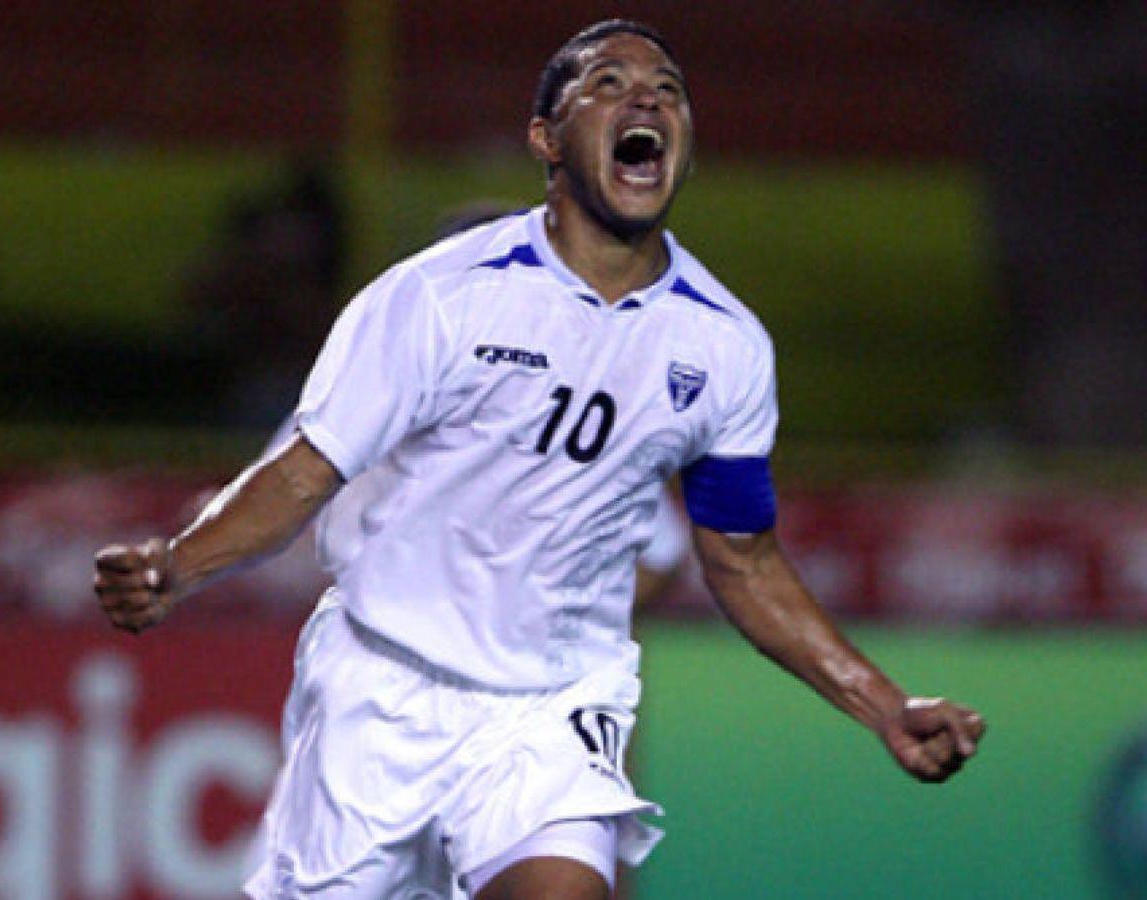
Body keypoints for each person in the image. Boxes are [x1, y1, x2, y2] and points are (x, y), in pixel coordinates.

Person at [94, 20, 985, 900]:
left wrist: (885, 704)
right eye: (608, 85)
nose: (646, 99)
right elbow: (300, 474)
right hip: (384, 690)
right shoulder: (437, 299)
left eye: (667, 90)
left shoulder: (725, 346)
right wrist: (177, 566)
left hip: (551, 707)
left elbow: (739, 558)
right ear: (546, 140)